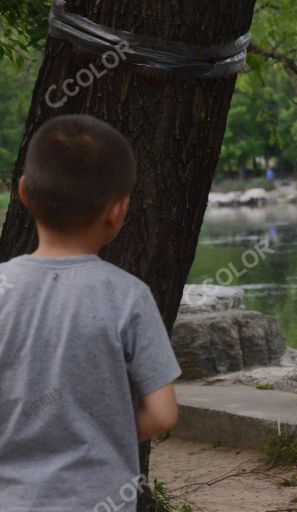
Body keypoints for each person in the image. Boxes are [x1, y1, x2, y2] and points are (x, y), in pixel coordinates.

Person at [0, 115, 182, 510]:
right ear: (118, 211)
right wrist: (104, 432)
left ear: (24, 193)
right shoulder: (128, 296)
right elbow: (163, 413)